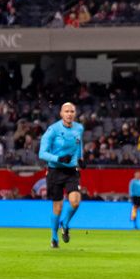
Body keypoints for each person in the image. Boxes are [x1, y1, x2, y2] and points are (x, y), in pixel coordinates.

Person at [38, 102, 85, 248]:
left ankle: (65, 223)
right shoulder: (53, 130)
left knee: (75, 201)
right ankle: (54, 237)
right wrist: (58, 159)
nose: (69, 114)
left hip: (71, 171)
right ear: (61, 113)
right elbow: (42, 153)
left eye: (72, 111)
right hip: (55, 171)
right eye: (66, 111)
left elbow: (79, 144)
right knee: (57, 207)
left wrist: (80, 158)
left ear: (75, 113)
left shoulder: (79, 128)